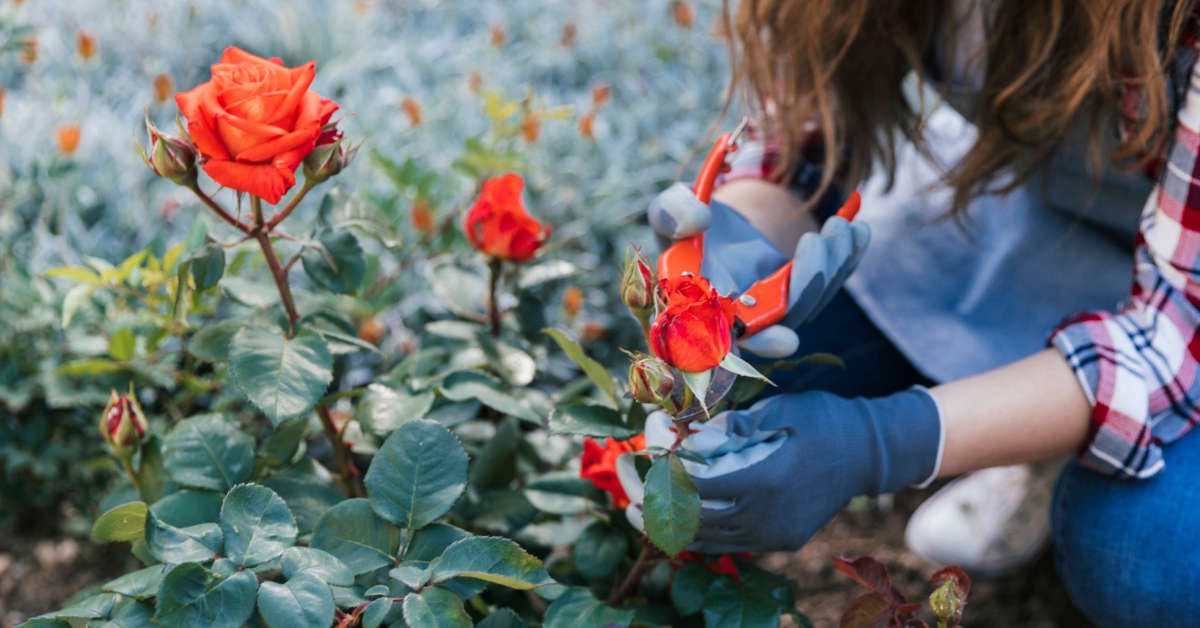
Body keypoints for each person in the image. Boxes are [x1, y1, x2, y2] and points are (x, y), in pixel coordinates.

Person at [641, 1, 1200, 625]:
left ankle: (1051, 436)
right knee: (767, 377)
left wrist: (883, 442)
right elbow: (812, 125)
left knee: (1152, 555)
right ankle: (1039, 416)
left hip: (1185, 302)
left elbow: (1179, 330)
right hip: (1035, 220)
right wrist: (739, 239)